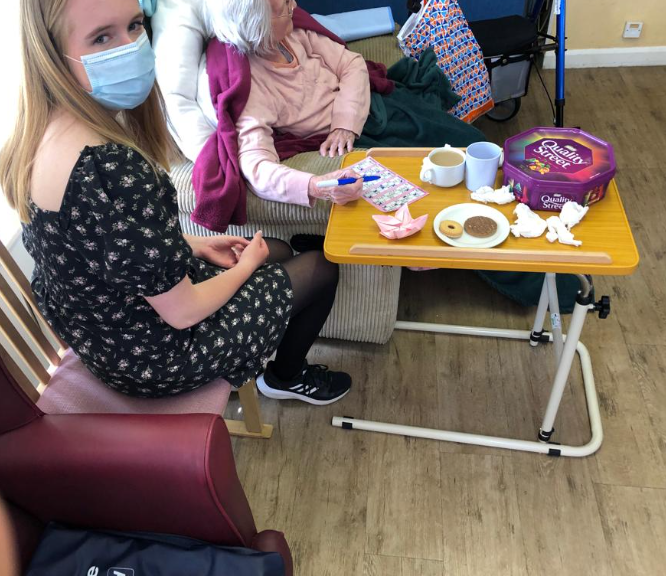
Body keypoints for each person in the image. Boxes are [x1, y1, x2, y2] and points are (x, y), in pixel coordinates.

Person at [0, 0, 353, 405]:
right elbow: (182, 313)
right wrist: (250, 265)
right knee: (321, 267)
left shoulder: (33, 138)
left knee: (277, 250)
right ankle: (285, 376)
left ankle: (252, 357)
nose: (131, 46)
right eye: (102, 37)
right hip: (158, 359)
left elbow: (109, 243)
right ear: (50, 51)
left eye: (135, 26)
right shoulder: (111, 168)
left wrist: (193, 243)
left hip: (105, 339)